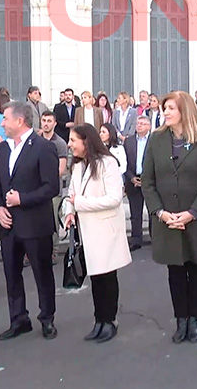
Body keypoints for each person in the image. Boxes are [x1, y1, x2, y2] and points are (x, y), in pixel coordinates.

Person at [141, 91, 197, 344]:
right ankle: (181, 319)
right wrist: (160, 212)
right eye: (164, 108)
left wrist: (192, 213)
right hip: (167, 220)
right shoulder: (156, 139)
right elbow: (147, 181)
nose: (165, 112)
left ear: (184, 111)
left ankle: (195, 318)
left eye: (171, 108)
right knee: (175, 271)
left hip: (196, 219)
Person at [0, 102, 60, 341]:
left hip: (35, 224)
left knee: (42, 273)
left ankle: (47, 318)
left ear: (19, 121)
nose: (2, 124)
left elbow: (51, 187)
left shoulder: (43, 147)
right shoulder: (3, 149)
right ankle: (18, 319)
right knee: (11, 274)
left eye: (5, 119)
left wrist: (23, 199)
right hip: (8, 226)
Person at [64, 124, 132, 343]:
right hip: (88, 232)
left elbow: (114, 198)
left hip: (105, 231)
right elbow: (71, 194)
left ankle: (110, 320)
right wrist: (69, 212)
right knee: (95, 278)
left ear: (86, 141)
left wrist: (80, 204)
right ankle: (99, 320)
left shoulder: (107, 163)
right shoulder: (78, 166)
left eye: (73, 140)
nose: (70, 145)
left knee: (107, 277)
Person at [38, 110, 69, 264]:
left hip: (53, 190)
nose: (46, 124)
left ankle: (53, 251)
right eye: (44, 120)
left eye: (49, 121)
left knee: (53, 220)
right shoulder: (36, 140)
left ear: (55, 124)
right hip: (37, 189)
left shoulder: (60, 143)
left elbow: (61, 169)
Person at [124, 115, 153, 251]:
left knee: (153, 211)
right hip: (133, 180)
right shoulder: (128, 141)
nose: (139, 125)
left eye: (142, 123)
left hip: (150, 181)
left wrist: (147, 178)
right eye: (138, 123)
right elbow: (124, 163)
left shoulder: (154, 141)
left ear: (149, 126)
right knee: (135, 213)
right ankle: (136, 240)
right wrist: (131, 178)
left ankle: (155, 238)